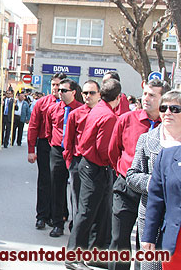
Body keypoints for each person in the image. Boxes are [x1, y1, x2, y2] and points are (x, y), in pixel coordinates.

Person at [108, 79, 168, 270]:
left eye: (152, 95)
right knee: (119, 240)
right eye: (145, 94)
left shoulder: (168, 127)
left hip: (153, 193)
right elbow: (113, 150)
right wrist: (123, 172)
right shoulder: (127, 119)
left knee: (146, 243)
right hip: (126, 185)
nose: (146, 98)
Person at [66, 79, 122, 270]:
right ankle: (73, 256)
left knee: (99, 211)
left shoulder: (99, 110)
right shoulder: (108, 115)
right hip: (95, 166)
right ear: (119, 98)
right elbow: (104, 149)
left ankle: (92, 253)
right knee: (87, 212)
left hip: (91, 165)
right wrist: (117, 161)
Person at [127, 90, 181, 270]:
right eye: (164, 108)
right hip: (164, 227)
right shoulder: (154, 144)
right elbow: (135, 177)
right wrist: (149, 236)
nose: (168, 112)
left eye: (174, 108)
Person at [28, 72, 67, 230]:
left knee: (59, 182)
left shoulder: (71, 105)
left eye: (59, 85)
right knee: (44, 180)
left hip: (61, 147)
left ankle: (59, 214)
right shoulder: (42, 103)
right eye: (54, 85)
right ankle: (42, 216)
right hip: (44, 145)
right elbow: (33, 126)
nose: (56, 88)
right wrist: (31, 149)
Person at [46, 79, 83, 238]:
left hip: (75, 152)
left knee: (76, 189)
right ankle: (57, 223)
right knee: (56, 187)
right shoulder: (53, 109)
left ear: (73, 92)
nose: (60, 92)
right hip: (57, 150)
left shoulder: (81, 110)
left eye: (64, 90)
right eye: (59, 90)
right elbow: (48, 130)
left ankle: (76, 224)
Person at [63, 80, 100, 229]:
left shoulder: (104, 114)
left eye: (92, 93)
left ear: (99, 94)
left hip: (98, 163)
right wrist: (70, 163)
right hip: (78, 162)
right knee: (77, 198)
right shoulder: (75, 114)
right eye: (85, 93)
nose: (88, 96)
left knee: (96, 199)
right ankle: (77, 228)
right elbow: (68, 141)